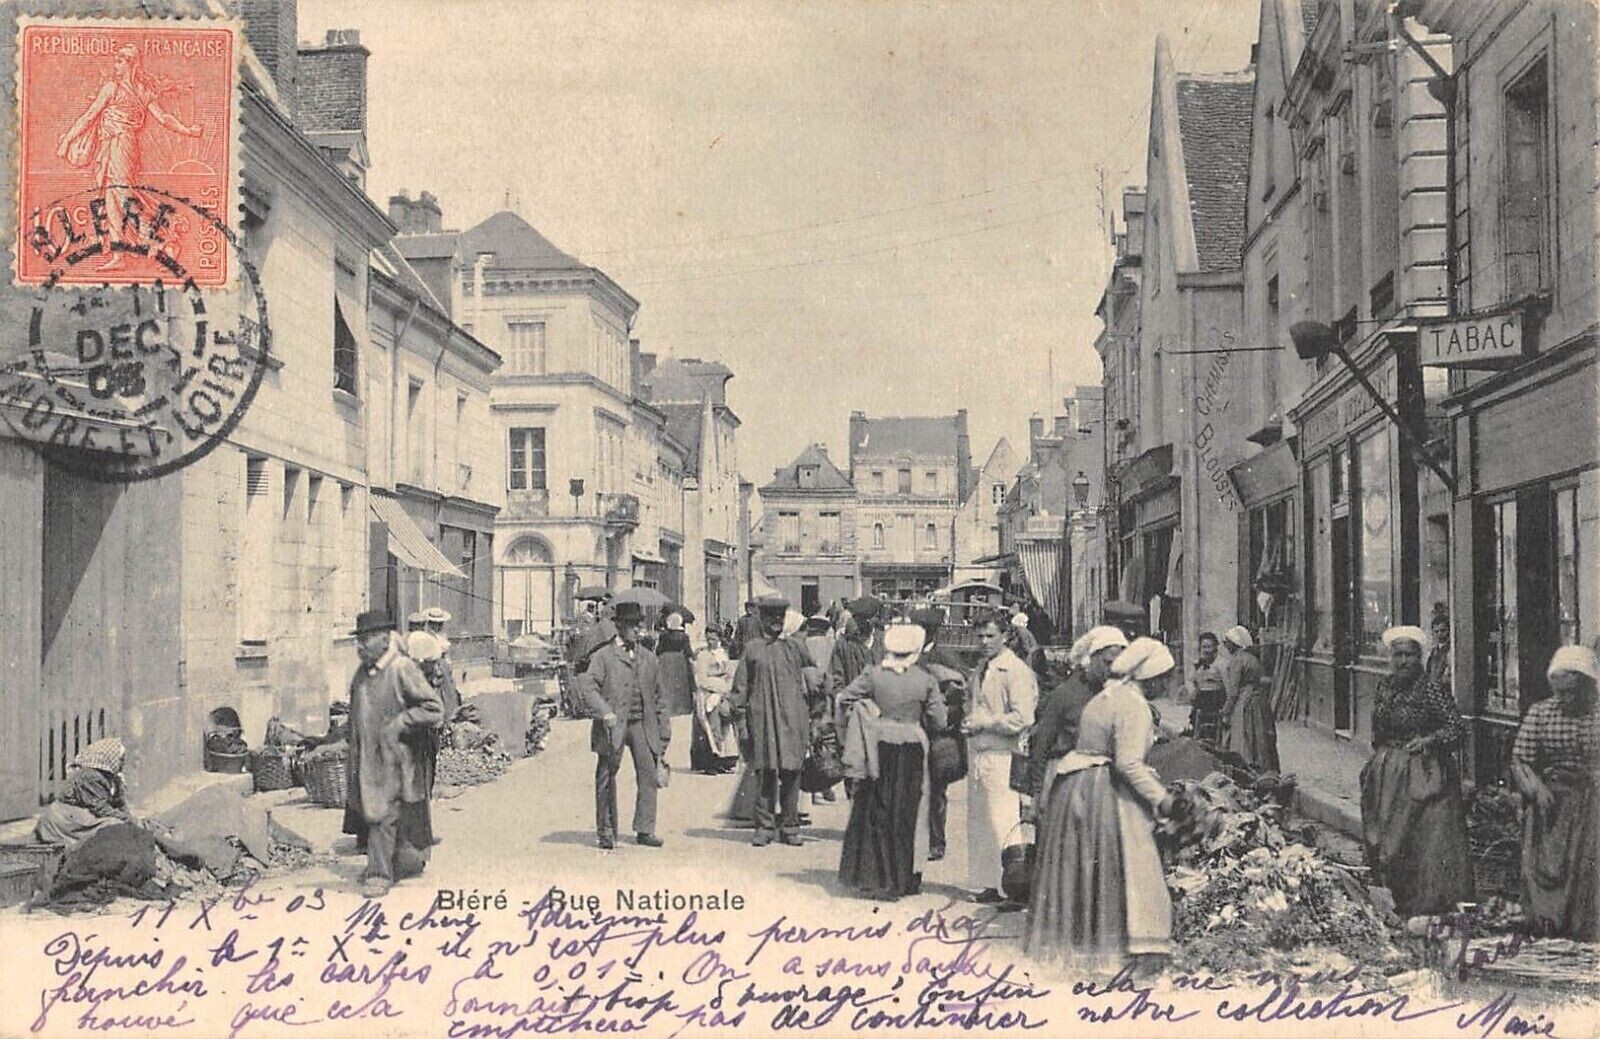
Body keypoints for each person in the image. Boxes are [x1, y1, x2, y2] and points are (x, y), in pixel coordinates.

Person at [1025, 637, 1178, 972]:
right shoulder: (1134, 706)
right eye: (1165, 678)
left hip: (1073, 785)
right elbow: (1128, 764)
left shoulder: (1106, 696)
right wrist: (1163, 799)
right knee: (1125, 868)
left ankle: (1078, 952)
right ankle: (1120, 953)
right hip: (1101, 791)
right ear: (1151, 678)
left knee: (1080, 873)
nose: (1166, 685)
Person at [53, 43, 203, 270]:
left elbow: (162, 118)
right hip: (111, 147)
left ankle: (163, 242)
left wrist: (188, 131)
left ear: (131, 64)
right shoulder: (124, 89)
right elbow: (90, 116)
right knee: (111, 199)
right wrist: (67, 140)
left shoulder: (122, 89)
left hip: (122, 146)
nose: (116, 65)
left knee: (123, 198)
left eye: (120, 61)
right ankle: (119, 254)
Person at [1359, 625, 1472, 918]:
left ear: (1419, 657)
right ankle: (1391, 895)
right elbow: (1377, 730)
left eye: (1409, 655)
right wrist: (1380, 761)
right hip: (1389, 772)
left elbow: (1456, 728)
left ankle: (1427, 904)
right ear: (1390, 658)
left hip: (1424, 771)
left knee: (1423, 837)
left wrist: (1429, 740)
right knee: (1385, 833)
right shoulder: (1384, 687)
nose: (1404, 661)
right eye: (1398, 655)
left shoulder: (1431, 688)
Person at [837, 624, 949, 900]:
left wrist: (867, 712)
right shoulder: (925, 680)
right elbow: (939, 721)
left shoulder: (874, 675)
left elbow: (844, 697)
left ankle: (877, 876)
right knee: (912, 812)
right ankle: (907, 877)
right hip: (913, 746)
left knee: (877, 808)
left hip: (880, 745)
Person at [345, 611, 443, 897]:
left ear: (384, 638)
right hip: (368, 756)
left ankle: (379, 874)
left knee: (382, 814)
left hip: (396, 758)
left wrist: (402, 721)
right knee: (377, 812)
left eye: (365, 639)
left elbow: (434, 708)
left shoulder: (402, 668)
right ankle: (395, 863)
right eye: (359, 640)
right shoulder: (362, 674)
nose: (360, 646)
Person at [1510, 645, 1600, 939]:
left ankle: (1583, 928)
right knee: (1545, 865)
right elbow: (1520, 759)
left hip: (1591, 801)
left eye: (1572, 692)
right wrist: (1536, 787)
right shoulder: (1541, 713)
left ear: (1588, 686)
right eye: (1559, 693)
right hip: (1551, 802)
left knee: (1586, 868)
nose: (1565, 699)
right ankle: (1546, 923)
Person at [575, 601, 671, 850]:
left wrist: (664, 731)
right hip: (613, 726)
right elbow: (588, 687)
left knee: (648, 774)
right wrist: (604, 711)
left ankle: (645, 829)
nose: (638, 629)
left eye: (639, 625)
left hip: (641, 725)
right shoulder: (603, 656)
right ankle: (607, 831)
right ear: (619, 626)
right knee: (607, 776)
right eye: (632, 625)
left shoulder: (649, 658)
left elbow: (660, 698)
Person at [728, 595, 819, 847]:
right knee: (765, 773)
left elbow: (816, 683)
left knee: (792, 773)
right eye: (771, 617)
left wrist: (815, 717)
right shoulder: (752, 649)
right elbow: (740, 689)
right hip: (763, 721)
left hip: (792, 722)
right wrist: (741, 724)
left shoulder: (796, 648)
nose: (776, 621)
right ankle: (764, 827)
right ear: (762, 619)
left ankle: (790, 827)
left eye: (780, 616)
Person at [965, 613, 1038, 905]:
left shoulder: (1016, 671)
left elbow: (1023, 717)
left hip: (1003, 755)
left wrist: (986, 722)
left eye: (990, 636)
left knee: (1004, 821)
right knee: (982, 821)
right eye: (980, 636)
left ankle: (1016, 888)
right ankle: (990, 883)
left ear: (1005, 636)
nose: (984, 642)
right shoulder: (983, 668)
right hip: (980, 752)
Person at [910, 607, 967, 861]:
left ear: (930, 632)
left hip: (936, 734)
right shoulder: (909, 656)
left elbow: (960, 695)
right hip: (912, 730)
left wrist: (945, 713)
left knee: (935, 790)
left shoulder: (944, 657)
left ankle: (936, 841)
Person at [35, 738, 135, 846]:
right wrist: (127, 820)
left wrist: (129, 818)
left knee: (122, 825)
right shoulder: (90, 776)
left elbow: (119, 804)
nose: (122, 763)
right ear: (108, 757)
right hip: (66, 818)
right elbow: (100, 808)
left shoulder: (111, 777)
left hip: (85, 814)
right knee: (113, 825)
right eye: (120, 759)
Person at [1221, 625, 1279, 772]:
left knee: (1244, 737)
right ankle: (1263, 767)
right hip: (1259, 702)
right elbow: (1263, 681)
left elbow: (1233, 691)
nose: (1226, 647)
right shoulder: (1252, 659)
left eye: (1227, 643)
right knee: (1260, 736)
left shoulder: (1237, 660)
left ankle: (1246, 768)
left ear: (1234, 643)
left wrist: (1226, 711)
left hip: (1244, 703)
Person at [691, 628, 740, 774]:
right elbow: (701, 679)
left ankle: (724, 760)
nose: (710, 642)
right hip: (708, 693)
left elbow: (730, 675)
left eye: (713, 638)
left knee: (726, 725)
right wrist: (717, 687)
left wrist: (726, 689)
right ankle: (710, 762)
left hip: (722, 693)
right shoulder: (703, 656)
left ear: (719, 638)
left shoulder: (723, 654)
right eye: (708, 639)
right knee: (711, 726)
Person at [656, 611, 698, 734]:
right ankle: (681, 707)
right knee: (680, 685)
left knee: (667, 685)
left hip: (666, 662)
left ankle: (669, 707)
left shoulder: (663, 636)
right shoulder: (684, 637)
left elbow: (659, 650)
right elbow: (688, 651)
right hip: (680, 662)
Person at [1188, 632, 1227, 745]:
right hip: (1201, 701)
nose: (1206, 650)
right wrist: (1192, 690)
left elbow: (1228, 686)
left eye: (1209, 647)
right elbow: (1190, 680)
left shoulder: (1221, 664)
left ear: (1215, 648)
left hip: (1217, 701)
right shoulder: (1198, 664)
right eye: (1204, 647)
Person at [1425, 603, 1452, 691]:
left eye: (1443, 631)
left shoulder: (1450, 651)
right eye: (1436, 632)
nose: (1439, 634)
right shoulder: (1433, 652)